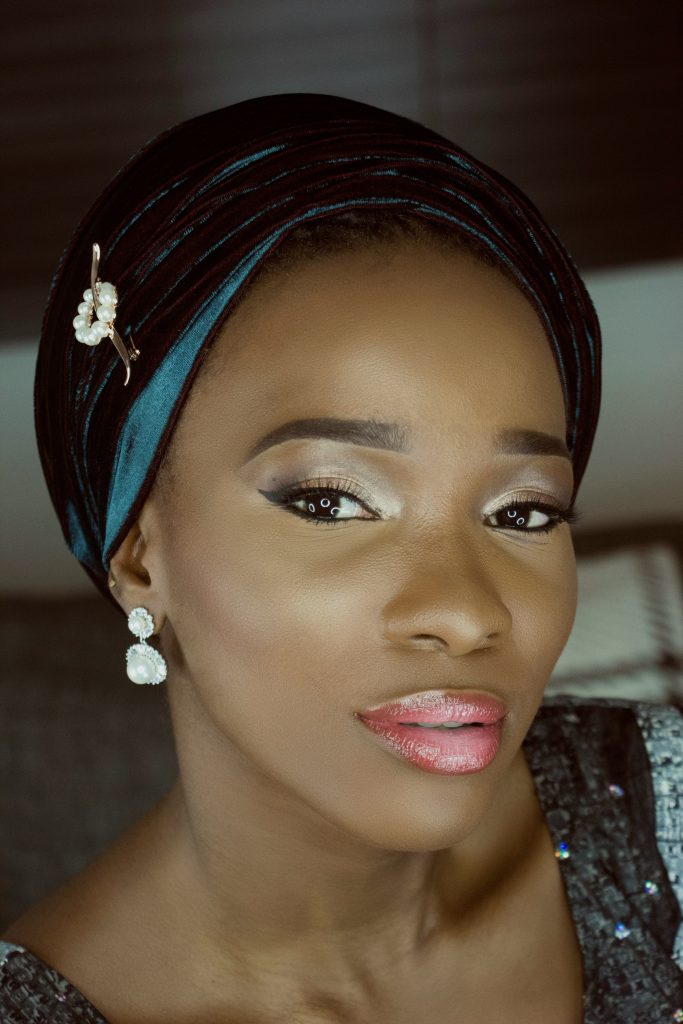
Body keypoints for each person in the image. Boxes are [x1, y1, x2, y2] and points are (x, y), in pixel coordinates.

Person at [1, 93, 681, 1024]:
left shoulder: (658, 814)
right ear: (139, 559)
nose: (467, 613)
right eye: (330, 501)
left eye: (524, 511)